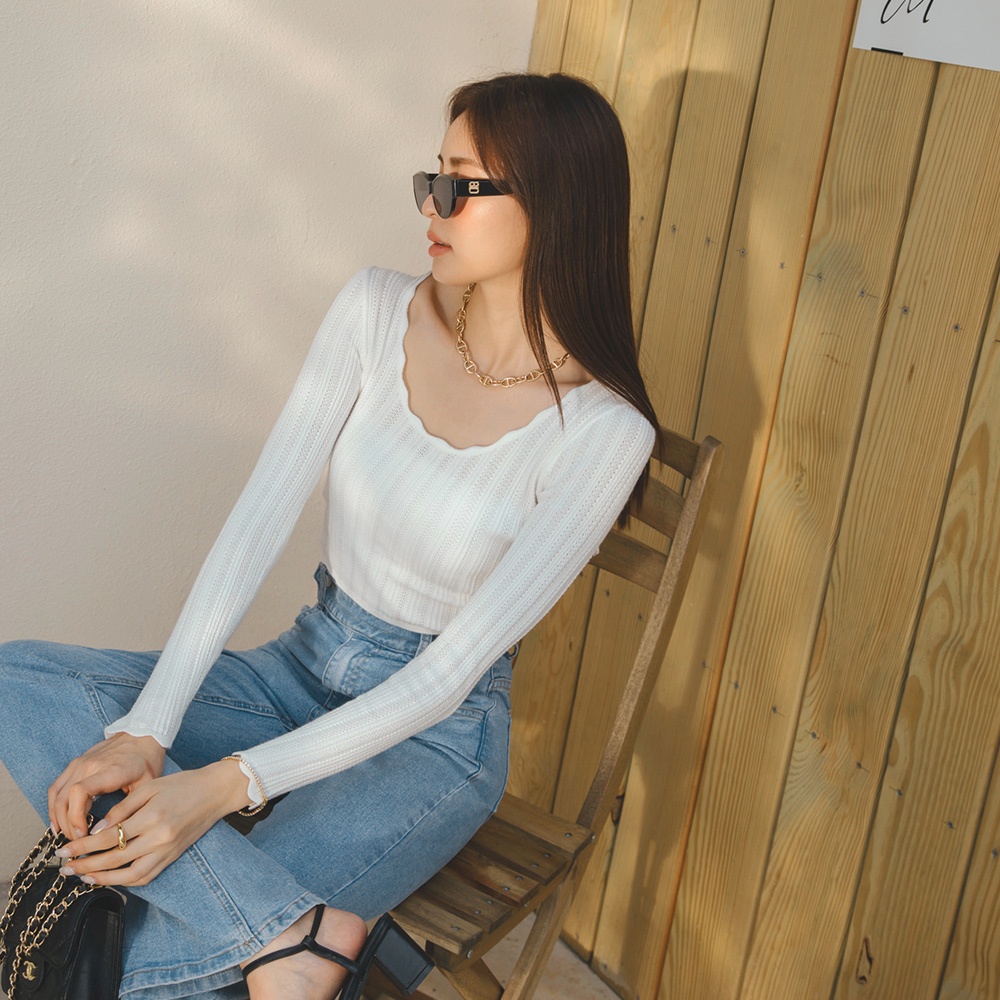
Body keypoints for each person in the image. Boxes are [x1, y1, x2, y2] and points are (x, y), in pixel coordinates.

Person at [0, 72, 658, 1000]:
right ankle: (295, 936)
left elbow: (446, 677)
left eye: (463, 186)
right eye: (433, 178)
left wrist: (223, 786)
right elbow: (255, 525)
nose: (432, 206)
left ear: (554, 204)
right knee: (19, 682)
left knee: (130, 967)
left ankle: (274, 938)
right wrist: (150, 729)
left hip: (430, 740)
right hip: (298, 669)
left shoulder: (604, 435)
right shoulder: (375, 311)